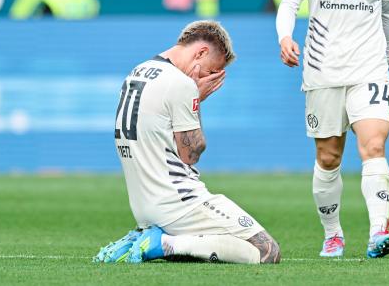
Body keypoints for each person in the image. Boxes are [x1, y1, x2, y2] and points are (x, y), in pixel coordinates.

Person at [276, 0, 389, 259]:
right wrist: (285, 36)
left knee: (374, 144)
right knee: (329, 157)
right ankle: (333, 234)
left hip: (369, 69)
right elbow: (289, 2)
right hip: (323, 72)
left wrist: (388, 55)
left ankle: (379, 231)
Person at [94, 21, 281, 265]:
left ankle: (150, 239)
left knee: (206, 247)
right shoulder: (181, 84)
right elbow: (190, 153)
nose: (210, 78)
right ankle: (163, 243)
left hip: (144, 207)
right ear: (201, 52)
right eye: (211, 70)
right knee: (267, 251)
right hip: (179, 203)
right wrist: (195, 97)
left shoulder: (138, 71)